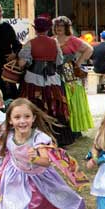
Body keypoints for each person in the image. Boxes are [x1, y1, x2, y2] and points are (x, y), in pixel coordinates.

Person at [18, 16, 74, 146]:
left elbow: (22, 63)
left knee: (33, 107)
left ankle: (33, 138)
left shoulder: (30, 43)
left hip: (32, 81)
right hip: (52, 80)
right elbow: (59, 61)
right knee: (56, 108)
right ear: (49, 29)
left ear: (35, 29)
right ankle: (60, 140)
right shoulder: (54, 43)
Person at [52, 16, 93, 135]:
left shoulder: (73, 40)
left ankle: (75, 128)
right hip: (55, 72)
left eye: (61, 26)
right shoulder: (51, 40)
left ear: (66, 28)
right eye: (56, 26)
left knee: (72, 99)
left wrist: (77, 63)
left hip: (69, 72)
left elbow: (89, 49)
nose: (58, 28)